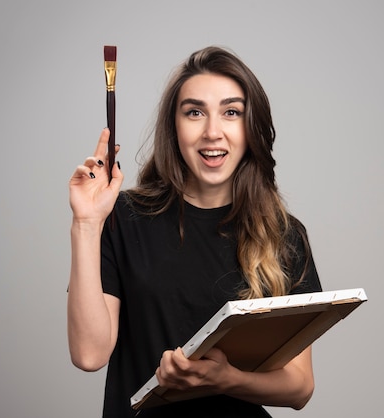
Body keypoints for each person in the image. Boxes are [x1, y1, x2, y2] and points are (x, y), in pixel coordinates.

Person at [67, 46, 322, 418]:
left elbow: (299, 387)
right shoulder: (122, 217)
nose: (212, 132)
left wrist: (226, 379)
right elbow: (89, 354)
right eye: (195, 112)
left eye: (231, 112)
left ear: (251, 127)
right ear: (174, 126)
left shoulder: (284, 235)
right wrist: (86, 224)